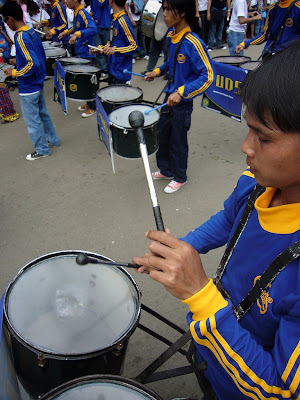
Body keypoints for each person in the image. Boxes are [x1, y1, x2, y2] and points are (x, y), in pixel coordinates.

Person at [133, 40, 300, 399]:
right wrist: (182, 251)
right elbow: (229, 220)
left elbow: (280, 391)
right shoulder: (255, 185)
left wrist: (200, 295)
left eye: (264, 137)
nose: (246, 146)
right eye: (248, 128)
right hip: (213, 341)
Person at [144, 0, 213, 194]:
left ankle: (180, 177)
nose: (163, 14)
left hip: (182, 104)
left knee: (178, 141)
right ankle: (166, 170)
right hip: (168, 98)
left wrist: (181, 92)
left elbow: (207, 76)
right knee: (162, 136)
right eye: (163, 9)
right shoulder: (171, 37)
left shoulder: (193, 42)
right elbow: (170, 64)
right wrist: (156, 71)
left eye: (167, 9)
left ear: (182, 12)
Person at [3, 1, 60, 160]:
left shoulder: (20, 36)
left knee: (33, 121)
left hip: (28, 87)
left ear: (10, 18)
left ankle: (42, 150)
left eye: (5, 20)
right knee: (43, 114)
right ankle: (53, 140)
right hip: (37, 82)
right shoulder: (31, 31)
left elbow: (32, 63)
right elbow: (39, 57)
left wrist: (14, 72)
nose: (6, 24)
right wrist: (19, 62)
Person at [58, 0, 98, 117]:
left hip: (87, 52)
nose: (65, 1)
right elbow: (76, 28)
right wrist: (66, 32)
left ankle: (93, 106)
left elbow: (93, 29)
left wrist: (78, 34)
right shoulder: (76, 13)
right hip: (81, 51)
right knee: (83, 81)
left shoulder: (82, 13)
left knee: (88, 82)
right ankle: (88, 102)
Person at [92, 0, 138, 85]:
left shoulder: (123, 21)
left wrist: (115, 50)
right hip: (113, 68)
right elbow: (111, 42)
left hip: (121, 71)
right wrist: (100, 49)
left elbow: (134, 46)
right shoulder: (115, 19)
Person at [236, 0, 300, 58]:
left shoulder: (297, 8)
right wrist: (244, 44)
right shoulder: (273, 8)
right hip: (269, 54)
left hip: (288, 57)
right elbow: (265, 35)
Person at [90, 0, 110, 72]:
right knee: (98, 49)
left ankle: (109, 69)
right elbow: (92, 8)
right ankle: (104, 69)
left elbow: (101, 3)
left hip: (105, 24)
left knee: (107, 49)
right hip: (96, 25)